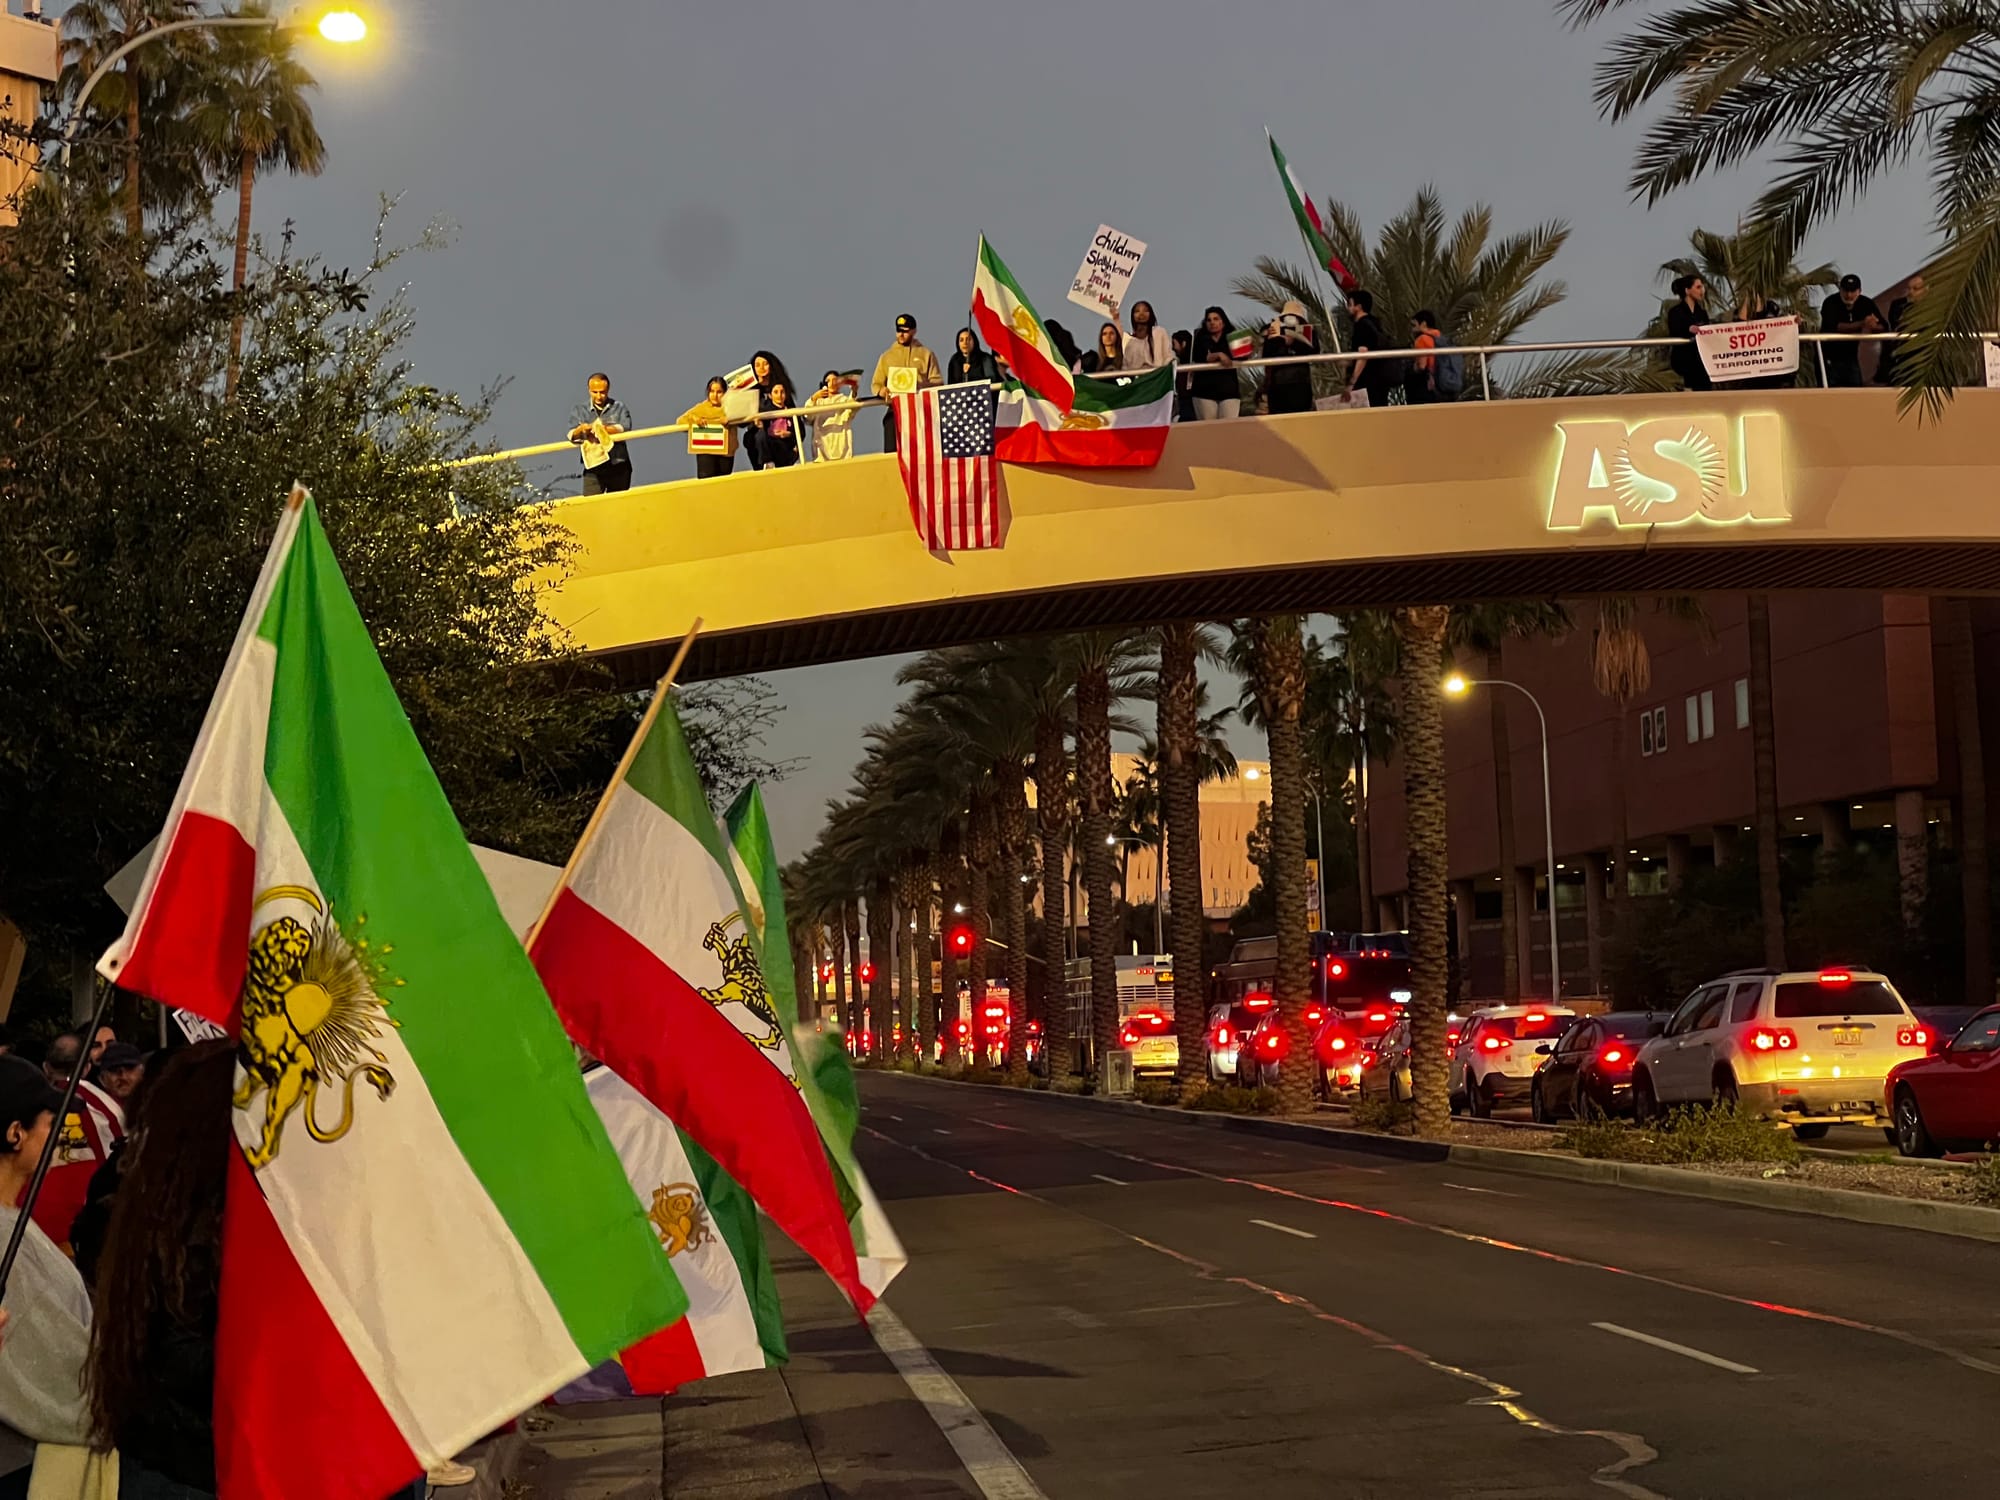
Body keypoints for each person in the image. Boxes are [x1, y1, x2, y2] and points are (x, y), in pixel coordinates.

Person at [0, 1057, 92, 1499]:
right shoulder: (6, 1239)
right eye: (50, 1124)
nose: (59, 1137)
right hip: (23, 1466)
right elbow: (55, 1368)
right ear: (15, 1133)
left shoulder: (12, 1218)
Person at [871, 314, 942, 452]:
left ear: (914, 331)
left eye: (905, 331)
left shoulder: (926, 354)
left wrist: (919, 386)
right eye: (898, 331)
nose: (901, 335)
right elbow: (876, 383)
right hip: (895, 410)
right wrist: (881, 391)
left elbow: (938, 382)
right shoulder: (886, 356)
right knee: (892, 452)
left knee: (920, 452)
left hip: (920, 409)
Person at [567, 373, 634, 495]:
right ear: (589, 390)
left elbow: (625, 427)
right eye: (595, 392)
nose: (599, 396)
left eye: (602, 392)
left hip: (618, 464)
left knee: (618, 503)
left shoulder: (619, 407)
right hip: (593, 467)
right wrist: (582, 430)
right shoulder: (579, 410)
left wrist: (604, 430)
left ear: (608, 390)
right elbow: (571, 434)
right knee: (591, 503)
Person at [1819, 273, 1884, 388]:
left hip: (1851, 358)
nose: (1849, 295)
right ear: (1840, 290)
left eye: (1852, 291)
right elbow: (1834, 327)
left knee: (1855, 391)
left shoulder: (1866, 303)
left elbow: (1883, 326)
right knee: (1830, 393)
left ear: (1859, 291)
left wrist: (1873, 325)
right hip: (1828, 358)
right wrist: (1862, 323)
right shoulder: (1830, 302)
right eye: (1845, 291)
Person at [1344, 289, 1404, 408]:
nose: (1348, 308)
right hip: (1380, 380)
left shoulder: (1362, 326)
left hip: (1368, 381)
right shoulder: (1375, 324)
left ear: (1359, 307)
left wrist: (1352, 382)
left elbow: (1363, 354)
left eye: (1350, 304)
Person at [1261, 299, 1318, 414]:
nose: (1291, 318)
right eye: (1288, 315)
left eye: (1294, 316)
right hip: (1278, 385)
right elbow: (1266, 355)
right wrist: (1272, 339)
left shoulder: (1308, 332)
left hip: (1300, 384)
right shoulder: (1275, 330)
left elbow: (1314, 351)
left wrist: (1293, 342)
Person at [678, 376, 738, 479]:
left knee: (723, 483)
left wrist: (731, 419)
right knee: (707, 481)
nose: (715, 395)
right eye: (712, 391)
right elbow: (680, 421)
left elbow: (743, 418)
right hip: (706, 452)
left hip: (726, 453)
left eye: (719, 392)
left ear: (725, 393)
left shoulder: (731, 408)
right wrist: (694, 419)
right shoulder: (702, 408)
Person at [1187, 306, 1242, 420]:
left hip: (1229, 390)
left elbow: (1243, 356)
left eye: (1216, 319)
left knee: (1229, 427)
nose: (1212, 322)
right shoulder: (1200, 337)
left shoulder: (1232, 336)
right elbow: (1200, 357)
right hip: (1204, 391)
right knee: (1208, 428)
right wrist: (1219, 355)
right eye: (1209, 320)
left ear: (1223, 321)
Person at [1666, 274, 1711, 391]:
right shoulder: (1675, 312)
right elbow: (1674, 331)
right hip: (1684, 359)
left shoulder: (1702, 313)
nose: (1702, 291)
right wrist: (1688, 329)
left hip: (1701, 360)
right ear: (1687, 290)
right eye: (1698, 287)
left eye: (1702, 287)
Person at [1879, 274, 1925, 386]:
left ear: (1926, 289)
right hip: (1902, 352)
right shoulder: (1898, 305)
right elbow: (1896, 323)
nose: (1911, 292)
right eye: (1909, 288)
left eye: (1915, 289)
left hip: (1923, 352)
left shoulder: (1932, 306)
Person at [805, 370, 859, 463]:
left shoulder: (844, 400)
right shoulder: (818, 402)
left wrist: (854, 392)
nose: (832, 383)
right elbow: (807, 416)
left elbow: (852, 408)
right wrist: (814, 398)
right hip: (821, 450)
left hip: (841, 447)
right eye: (828, 381)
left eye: (835, 380)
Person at [747, 380, 800, 471]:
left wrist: (789, 434)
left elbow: (801, 432)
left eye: (782, 392)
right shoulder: (764, 413)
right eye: (776, 392)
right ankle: (768, 462)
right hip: (771, 450)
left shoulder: (792, 412)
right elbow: (754, 436)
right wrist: (758, 425)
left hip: (786, 450)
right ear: (770, 395)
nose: (779, 395)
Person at [1123, 301, 1173, 370]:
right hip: (1138, 376)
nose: (1141, 314)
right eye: (1137, 311)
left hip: (1158, 374)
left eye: (1145, 311)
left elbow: (1168, 356)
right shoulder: (1130, 342)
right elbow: (1126, 366)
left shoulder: (1159, 332)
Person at [1170, 330, 1197, 421]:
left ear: (1183, 343)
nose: (1173, 348)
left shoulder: (1192, 363)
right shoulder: (1178, 363)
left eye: (1174, 344)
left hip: (1188, 399)